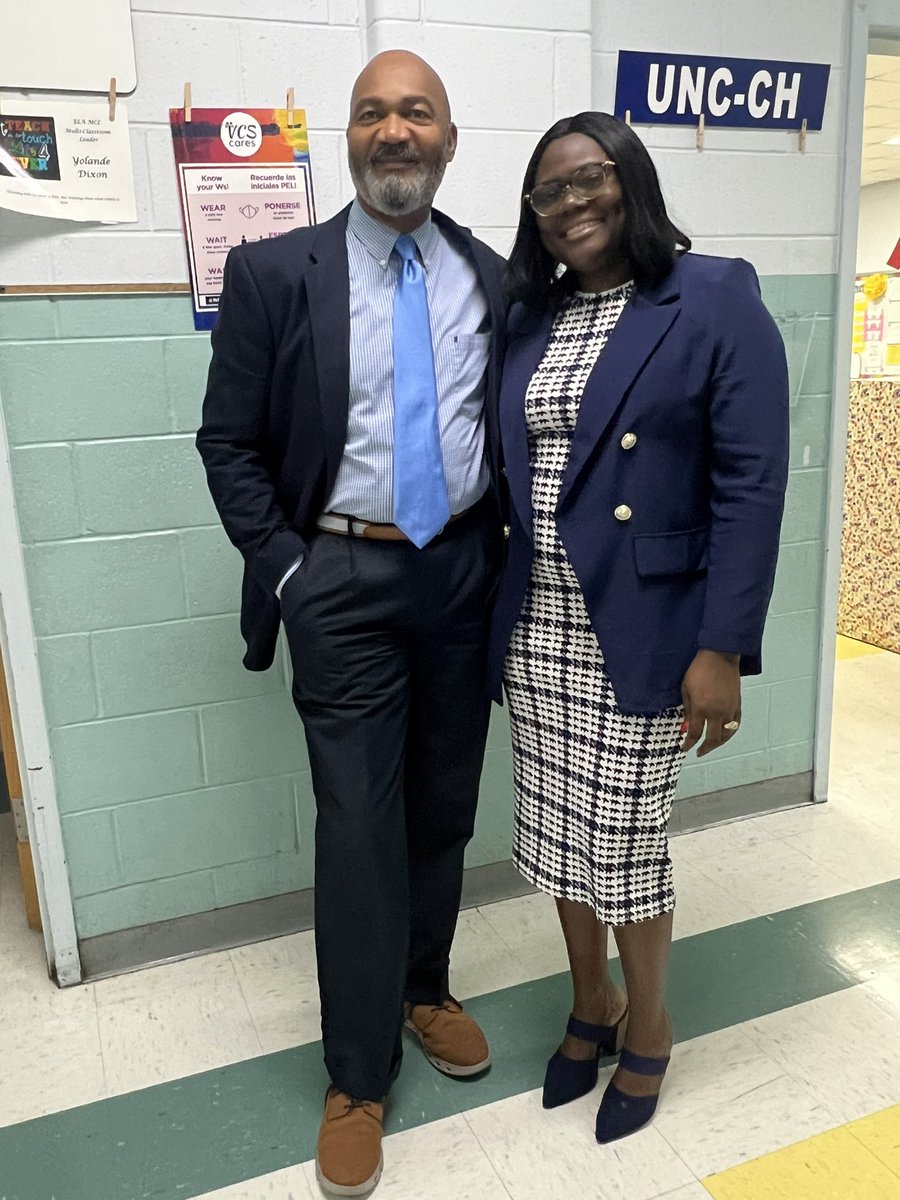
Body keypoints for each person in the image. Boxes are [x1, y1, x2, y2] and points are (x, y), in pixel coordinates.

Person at [197, 50, 506, 1196]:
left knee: (443, 806)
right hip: (340, 580)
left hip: (461, 575)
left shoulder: (493, 278)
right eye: (373, 112)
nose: (394, 130)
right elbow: (228, 443)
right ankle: (357, 1075)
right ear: (349, 137)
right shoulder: (275, 272)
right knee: (358, 824)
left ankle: (425, 988)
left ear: (448, 140)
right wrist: (289, 574)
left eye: (416, 112)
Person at [487, 111, 789, 1144]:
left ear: (633, 181)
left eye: (591, 178)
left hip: (647, 624)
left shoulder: (713, 295)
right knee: (555, 834)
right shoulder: (532, 316)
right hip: (538, 625)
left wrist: (723, 646)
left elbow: (751, 485)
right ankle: (593, 1003)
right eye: (549, 191)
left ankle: (650, 1020)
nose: (571, 203)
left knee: (620, 842)